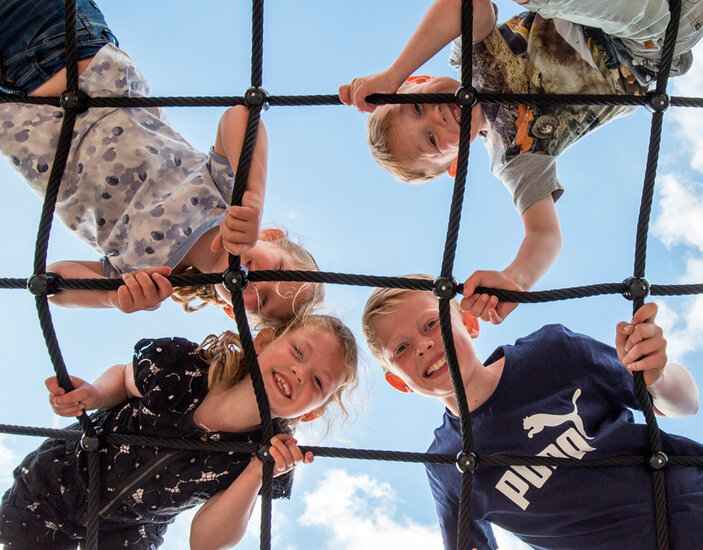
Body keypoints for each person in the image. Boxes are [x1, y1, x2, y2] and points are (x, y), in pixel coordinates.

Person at [341, 0, 703, 326]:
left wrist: (393, 75)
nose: (435, 117)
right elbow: (544, 234)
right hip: (650, 40)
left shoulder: (472, 53)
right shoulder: (513, 155)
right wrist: (517, 279)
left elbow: (470, 6)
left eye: (417, 105)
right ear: (456, 163)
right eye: (432, 140)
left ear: (417, 80)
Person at [0, 0, 323, 325]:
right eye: (278, 270)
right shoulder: (226, 197)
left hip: (11, 109)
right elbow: (240, 116)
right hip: (65, 49)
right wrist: (251, 196)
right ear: (270, 236)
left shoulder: (149, 277)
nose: (260, 281)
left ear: (231, 309)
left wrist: (112, 296)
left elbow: (52, 282)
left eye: (264, 300)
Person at [362, 278, 702, 550]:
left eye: (432, 324)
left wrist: (656, 376)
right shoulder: (449, 463)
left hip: (690, 500)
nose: (423, 346)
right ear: (399, 382)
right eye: (402, 349)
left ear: (469, 323)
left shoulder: (552, 352)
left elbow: (683, 405)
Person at [0, 313, 359, 549]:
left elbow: (204, 542)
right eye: (298, 351)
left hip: (126, 532)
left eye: (318, 381)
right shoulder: (184, 370)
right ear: (263, 341)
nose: (299, 372)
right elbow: (126, 378)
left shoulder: (259, 455)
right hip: (55, 486)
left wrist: (255, 472)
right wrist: (93, 394)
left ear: (312, 413)